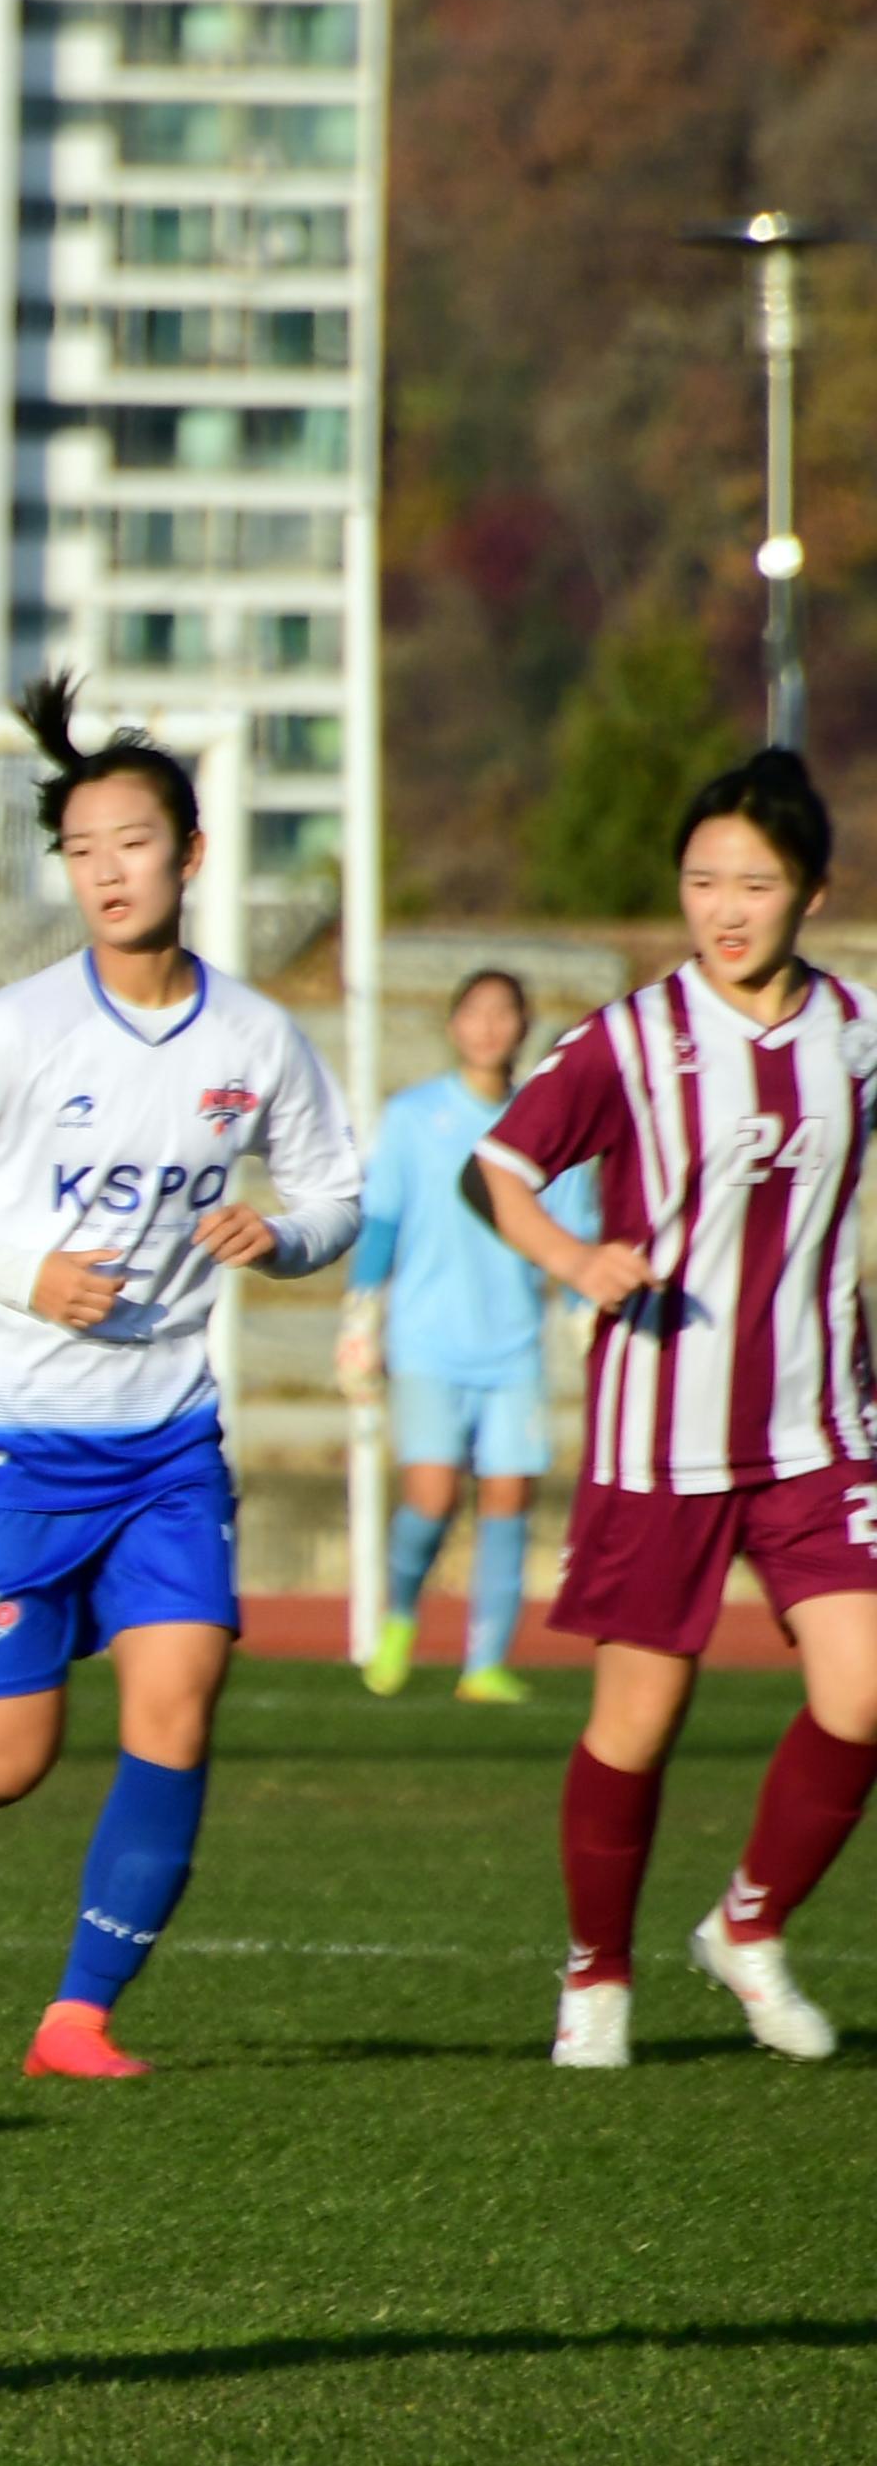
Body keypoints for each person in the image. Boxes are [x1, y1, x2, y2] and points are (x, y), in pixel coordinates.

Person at [0, 683, 357, 2080]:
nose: (109, 870)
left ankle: (80, 2014)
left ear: (191, 854)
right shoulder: (16, 1031)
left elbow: (331, 1192)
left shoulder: (252, 1039)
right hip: (4, 1450)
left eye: (133, 841)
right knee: (11, 1761)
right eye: (82, 849)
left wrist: (285, 1233)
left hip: (166, 1443)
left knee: (180, 1696)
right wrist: (28, 1277)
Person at [467, 748, 870, 2070]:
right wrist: (577, 1260)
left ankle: (747, 1928)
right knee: (637, 1724)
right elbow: (502, 1168)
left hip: (821, 1430)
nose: (726, 906)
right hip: (662, 1436)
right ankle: (597, 1972)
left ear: (812, 889)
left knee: (864, 1695)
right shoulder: (633, 1039)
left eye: (754, 880)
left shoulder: (858, 1034)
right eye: (703, 880)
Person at [346, 967, 589, 1701]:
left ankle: (485, 1663)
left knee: (509, 1498)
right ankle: (398, 1620)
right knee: (430, 1496)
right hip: (426, 1342)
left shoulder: (549, 1122)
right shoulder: (416, 1116)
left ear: (523, 1027)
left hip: (513, 1346)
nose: (487, 1027)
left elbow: (574, 1234)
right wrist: (361, 1313)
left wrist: (584, 1314)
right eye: (474, 1012)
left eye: (503, 1013)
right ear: (453, 1025)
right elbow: (383, 1220)